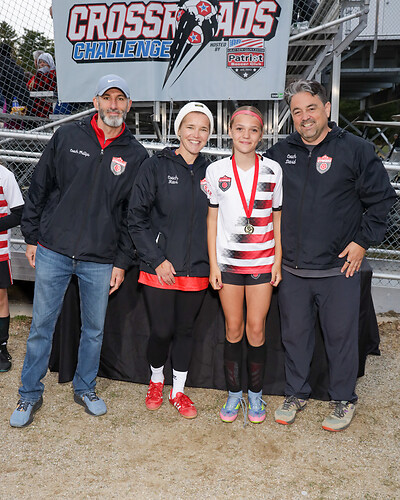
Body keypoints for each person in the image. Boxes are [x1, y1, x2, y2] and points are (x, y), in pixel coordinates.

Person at [10, 74, 148, 428]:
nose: (113, 105)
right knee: (41, 326)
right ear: (96, 101)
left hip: (99, 259)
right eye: (107, 97)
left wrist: (122, 261)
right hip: (54, 250)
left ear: (129, 105)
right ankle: (29, 393)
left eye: (120, 98)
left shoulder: (135, 154)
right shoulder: (67, 136)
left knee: (94, 330)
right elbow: (39, 187)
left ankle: (85, 387)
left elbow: (132, 215)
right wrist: (32, 237)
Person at [264, 80, 396, 432]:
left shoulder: (356, 149)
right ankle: (295, 393)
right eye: (297, 111)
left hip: (339, 269)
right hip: (292, 269)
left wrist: (362, 242)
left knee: (340, 339)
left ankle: (342, 399)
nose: (305, 116)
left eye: (311, 108)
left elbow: (382, 200)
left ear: (326, 108)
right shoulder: (279, 154)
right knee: (294, 337)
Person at [128, 102, 213, 419]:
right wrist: (157, 259)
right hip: (160, 268)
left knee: (185, 331)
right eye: (190, 127)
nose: (196, 134)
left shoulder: (213, 172)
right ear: (179, 130)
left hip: (197, 268)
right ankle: (156, 380)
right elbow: (136, 218)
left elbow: (224, 220)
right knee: (162, 331)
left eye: (203, 128)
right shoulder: (155, 166)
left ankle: (178, 391)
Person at [206, 106, 283, 424]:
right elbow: (212, 220)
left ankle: (255, 394)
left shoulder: (274, 170)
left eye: (253, 130)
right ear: (230, 131)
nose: (246, 135)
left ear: (261, 135)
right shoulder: (216, 170)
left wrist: (278, 260)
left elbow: (277, 219)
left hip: (262, 262)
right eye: (240, 129)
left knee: (256, 329)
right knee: (233, 328)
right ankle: (234, 394)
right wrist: (213, 265)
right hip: (228, 264)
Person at [0, 164, 24, 372]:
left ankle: (1, 347)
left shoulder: (5, 176)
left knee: (0, 297)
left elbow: (19, 213)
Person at [28, 53, 57, 118]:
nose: (42, 64)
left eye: (44, 62)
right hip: (38, 103)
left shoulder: (53, 74)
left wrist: (41, 74)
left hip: (49, 103)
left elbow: (49, 86)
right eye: (40, 62)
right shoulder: (37, 75)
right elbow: (33, 87)